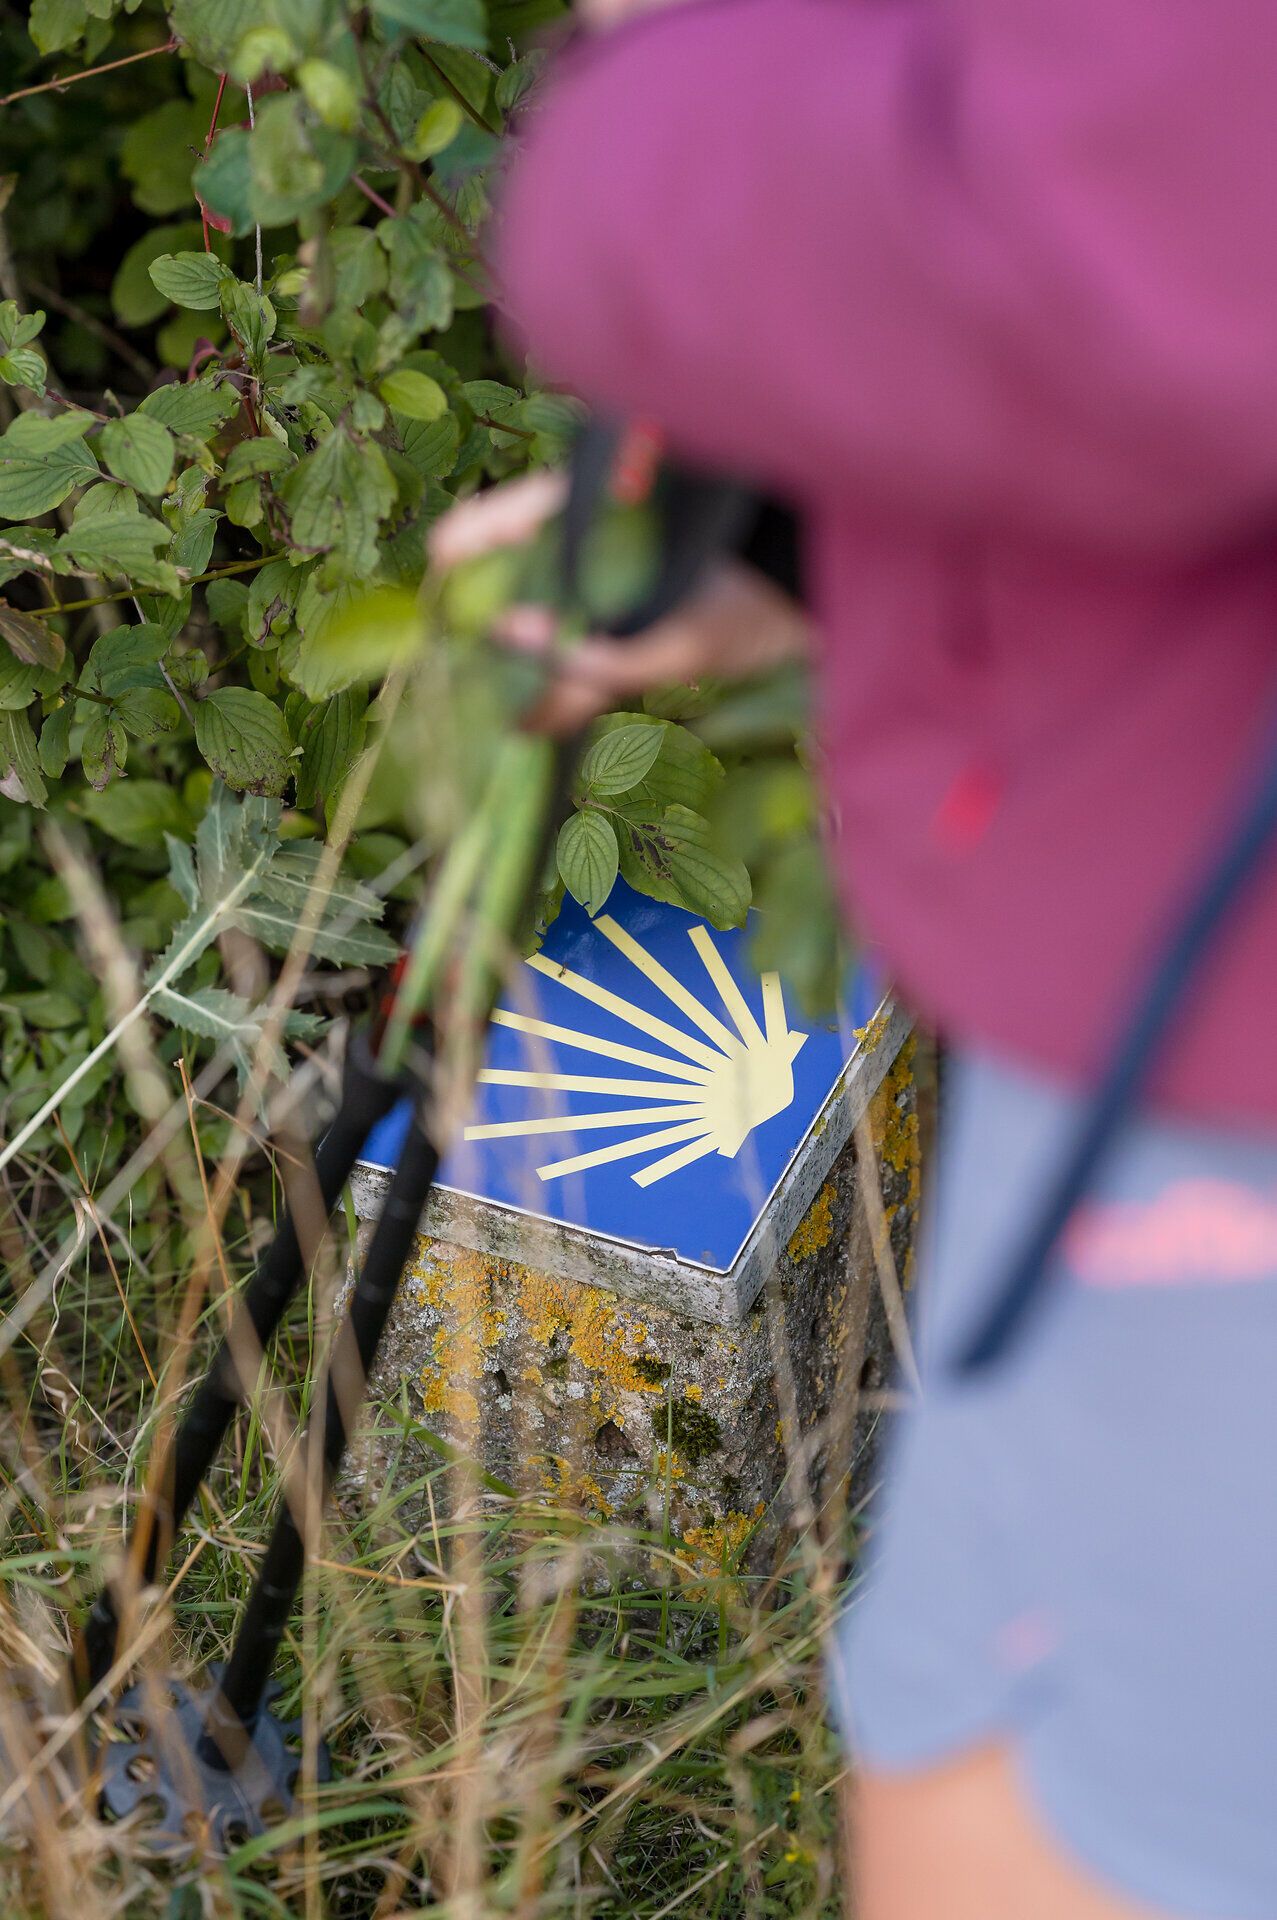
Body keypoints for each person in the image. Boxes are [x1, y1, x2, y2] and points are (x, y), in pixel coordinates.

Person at [432, 4, 1277, 1915]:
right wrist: (843, 555)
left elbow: (1138, 195)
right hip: (1160, 945)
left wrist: (658, 102)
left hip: (1217, 1051)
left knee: (1036, 1827)